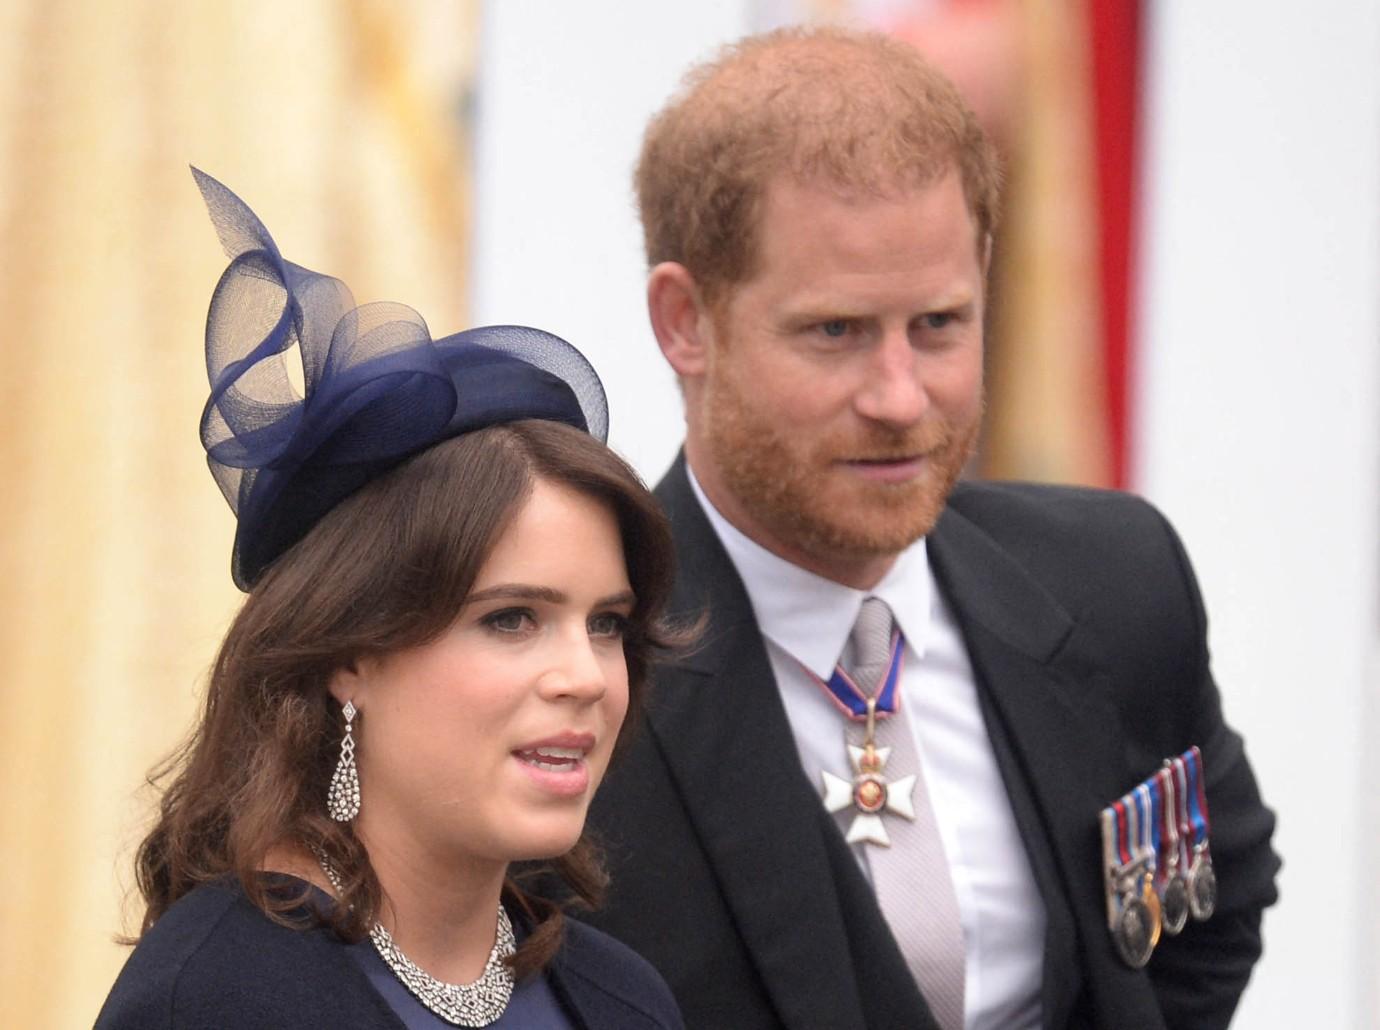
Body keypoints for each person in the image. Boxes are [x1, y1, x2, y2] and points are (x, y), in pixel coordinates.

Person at [576, 26, 1279, 1030]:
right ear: (686, 320)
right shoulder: (579, 675)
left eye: (940, 324)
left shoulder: (1117, 582)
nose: (902, 397)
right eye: (837, 331)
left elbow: (1211, 906)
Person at [96, 170, 684, 1030]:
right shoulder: (216, 999)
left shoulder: (621, 999)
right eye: (511, 619)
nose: (586, 676)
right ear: (348, 655)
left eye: (606, 624)